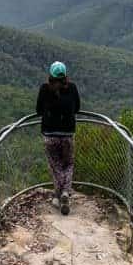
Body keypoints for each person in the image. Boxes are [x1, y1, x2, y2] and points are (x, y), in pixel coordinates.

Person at [37, 60, 80, 215]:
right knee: (68, 164)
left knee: (55, 166)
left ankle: (59, 193)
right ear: (65, 76)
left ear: (51, 75)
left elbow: (38, 110)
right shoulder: (72, 88)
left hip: (49, 135)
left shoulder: (44, 89)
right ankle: (65, 192)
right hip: (68, 134)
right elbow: (78, 108)